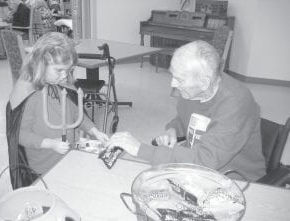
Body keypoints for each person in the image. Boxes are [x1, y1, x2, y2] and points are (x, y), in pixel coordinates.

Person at [107, 40, 266, 181]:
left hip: (234, 178)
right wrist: (173, 129)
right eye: (173, 75)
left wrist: (140, 149)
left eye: (180, 79)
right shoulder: (192, 90)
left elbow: (204, 160)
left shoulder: (236, 103)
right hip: (200, 169)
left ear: (203, 83)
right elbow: (186, 117)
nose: (173, 84)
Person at [7, 32, 108, 189]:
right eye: (59, 70)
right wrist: (50, 144)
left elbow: (76, 114)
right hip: (42, 167)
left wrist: (94, 131)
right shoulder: (29, 95)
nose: (64, 76)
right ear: (41, 64)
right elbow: (20, 134)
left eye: (68, 70)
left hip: (68, 158)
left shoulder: (63, 86)